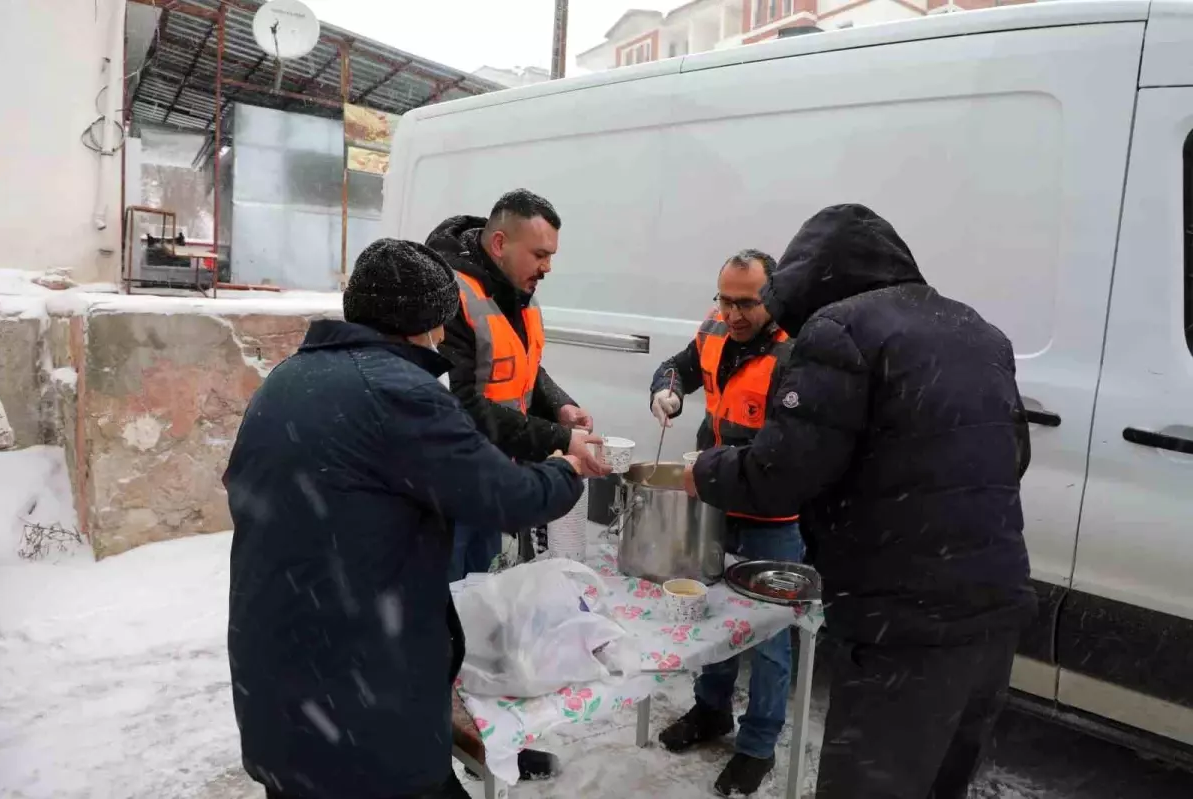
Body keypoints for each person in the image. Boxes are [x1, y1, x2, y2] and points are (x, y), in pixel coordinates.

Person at [686, 205, 1035, 799]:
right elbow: (1015, 455)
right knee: (940, 783)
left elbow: (780, 474)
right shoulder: (977, 329)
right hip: (996, 608)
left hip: (901, 622)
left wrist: (705, 469)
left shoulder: (841, 330)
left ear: (816, 279)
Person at [224, 239, 585, 799]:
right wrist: (567, 468)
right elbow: (505, 495)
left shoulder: (289, 377)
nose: (442, 338)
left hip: (281, 672)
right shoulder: (398, 393)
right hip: (357, 693)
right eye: (439, 325)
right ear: (422, 325)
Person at [648, 250, 805, 797]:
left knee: (767, 637)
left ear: (774, 295)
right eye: (725, 299)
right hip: (712, 505)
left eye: (747, 303)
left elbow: (786, 452)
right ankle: (710, 711)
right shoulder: (715, 328)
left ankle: (758, 746)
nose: (733, 314)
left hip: (769, 516)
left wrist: (714, 467)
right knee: (710, 617)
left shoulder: (796, 350)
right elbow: (680, 365)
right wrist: (666, 387)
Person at [426, 189, 610, 584]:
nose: (547, 268)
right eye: (540, 255)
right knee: (451, 597)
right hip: (453, 482)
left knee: (483, 590)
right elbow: (460, 403)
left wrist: (558, 405)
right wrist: (558, 438)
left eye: (551, 257)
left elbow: (525, 368)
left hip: (493, 475)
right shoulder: (450, 296)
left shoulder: (518, 289)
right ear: (498, 244)